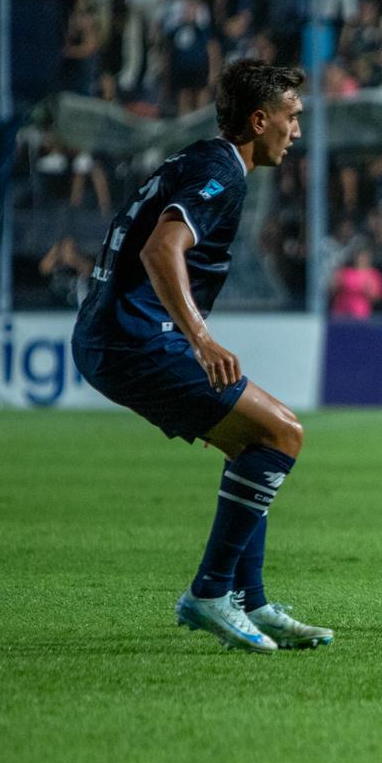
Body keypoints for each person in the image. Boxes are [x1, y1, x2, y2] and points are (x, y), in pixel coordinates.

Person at [71, 59, 332, 654]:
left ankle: (251, 601)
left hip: (113, 335)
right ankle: (210, 593)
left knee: (254, 443)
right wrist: (201, 338)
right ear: (259, 120)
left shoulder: (202, 159)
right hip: (134, 340)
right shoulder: (223, 172)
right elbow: (162, 249)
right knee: (282, 434)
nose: (297, 131)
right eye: (291, 117)